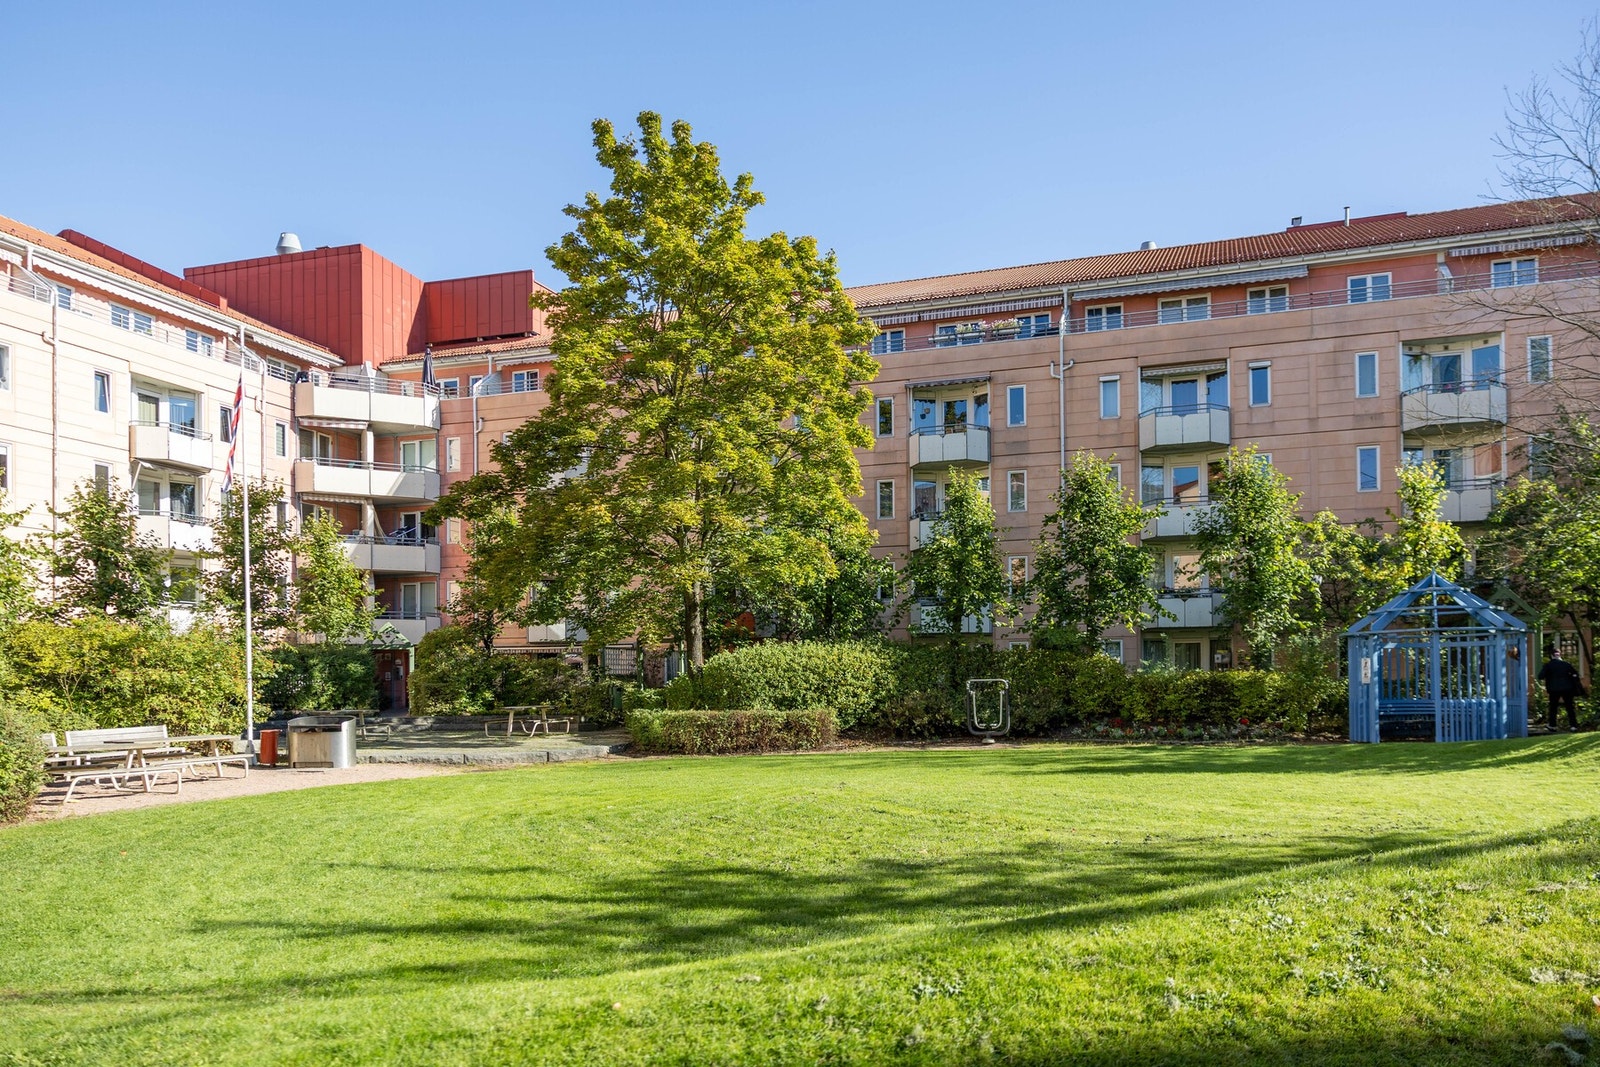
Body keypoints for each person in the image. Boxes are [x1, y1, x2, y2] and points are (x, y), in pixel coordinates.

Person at [1537, 647, 1583, 731]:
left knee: (1553, 707)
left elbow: (1540, 676)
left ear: (1551, 655)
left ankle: (1552, 725)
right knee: (1570, 707)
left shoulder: (1548, 665)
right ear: (1560, 655)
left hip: (1554, 689)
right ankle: (1573, 726)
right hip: (1567, 688)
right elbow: (1575, 674)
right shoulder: (1566, 664)